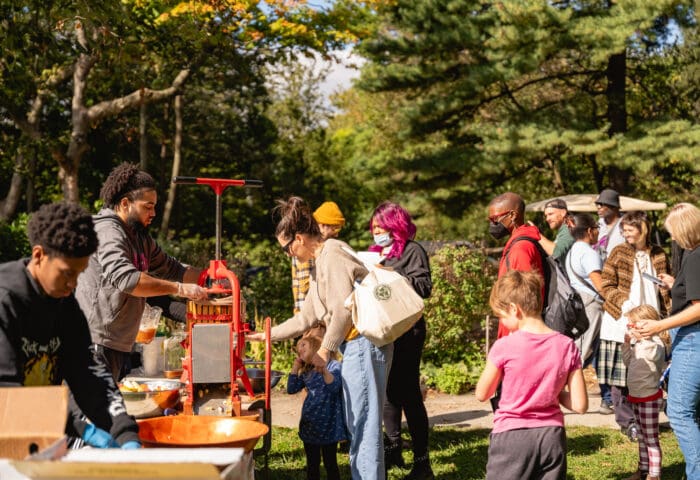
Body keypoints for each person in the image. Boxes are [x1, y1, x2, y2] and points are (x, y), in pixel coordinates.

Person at [248, 196, 391, 480]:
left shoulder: (333, 253)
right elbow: (306, 316)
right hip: (353, 347)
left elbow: (342, 310)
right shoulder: (318, 264)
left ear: (299, 238)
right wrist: (266, 335)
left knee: (363, 423)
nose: (288, 254)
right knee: (356, 421)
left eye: (287, 248)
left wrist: (325, 350)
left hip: (363, 343)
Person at [0, 202, 140, 449]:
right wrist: (77, 426)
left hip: (36, 435)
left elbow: (89, 372)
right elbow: (7, 392)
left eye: (80, 273)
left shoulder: (64, 304)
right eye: (66, 273)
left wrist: (123, 432)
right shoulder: (6, 300)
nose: (73, 284)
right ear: (38, 255)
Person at [75, 162, 207, 382]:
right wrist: (181, 289)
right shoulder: (108, 231)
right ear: (125, 204)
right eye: (148, 206)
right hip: (94, 343)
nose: (153, 212)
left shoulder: (139, 237)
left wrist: (210, 277)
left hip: (116, 343)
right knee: (90, 414)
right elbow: (127, 279)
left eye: (155, 206)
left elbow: (172, 268)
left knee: (105, 412)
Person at [475, 270, 588, 480]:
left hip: (511, 436)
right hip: (552, 436)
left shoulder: (504, 346)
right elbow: (580, 405)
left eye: (501, 316)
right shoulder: (567, 345)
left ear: (514, 309)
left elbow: (482, 393)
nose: (501, 322)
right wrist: (552, 393)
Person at [635, 203, 700, 480]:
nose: (672, 238)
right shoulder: (693, 256)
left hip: (693, 340)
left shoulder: (696, 256)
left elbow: (698, 308)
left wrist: (659, 325)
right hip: (690, 339)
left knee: (679, 412)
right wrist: (676, 284)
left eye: (673, 232)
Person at [369, 202, 433, 480]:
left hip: (409, 332)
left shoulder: (412, 250)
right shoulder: (374, 253)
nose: (376, 233)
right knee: (388, 393)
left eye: (380, 227)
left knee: (408, 394)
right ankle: (393, 450)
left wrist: (395, 276)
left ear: (395, 226)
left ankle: (422, 463)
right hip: (384, 331)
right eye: (373, 228)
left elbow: (424, 287)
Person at [600, 211, 671, 442]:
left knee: (650, 368)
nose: (626, 233)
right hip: (622, 318)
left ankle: (647, 418)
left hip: (651, 318)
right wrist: (623, 302)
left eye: (631, 229)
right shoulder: (619, 252)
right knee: (623, 374)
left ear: (643, 229)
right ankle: (627, 422)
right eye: (624, 230)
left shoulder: (658, 253)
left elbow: (665, 288)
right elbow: (606, 284)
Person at [287, 329, 346, 480]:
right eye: (298, 349)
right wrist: (296, 367)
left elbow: (334, 387)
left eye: (303, 346)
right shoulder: (307, 371)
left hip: (328, 426)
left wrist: (324, 370)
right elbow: (291, 388)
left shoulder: (333, 366)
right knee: (312, 464)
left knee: (330, 463)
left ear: (316, 347)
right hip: (310, 425)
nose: (299, 351)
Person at [564, 213, 609, 411]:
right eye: (596, 228)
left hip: (582, 302)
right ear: (590, 231)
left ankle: (608, 398)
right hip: (591, 305)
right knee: (579, 354)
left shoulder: (574, 249)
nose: (599, 232)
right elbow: (599, 284)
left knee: (596, 352)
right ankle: (557, 394)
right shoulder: (588, 252)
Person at [487, 192, 544, 339]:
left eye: (495, 219)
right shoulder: (516, 244)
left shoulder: (520, 248)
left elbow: (525, 298)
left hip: (519, 333)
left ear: (512, 215)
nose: (492, 224)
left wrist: (515, 338)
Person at [622, 305, 670, 480]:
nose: (629, 328)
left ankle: (654, 474)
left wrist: (643, 339)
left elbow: (652, 356)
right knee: (642, 436)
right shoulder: (640, 344)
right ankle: (643, 470)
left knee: (651, 438)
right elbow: (629, 362)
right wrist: (627, 345)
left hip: (649, 397)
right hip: (636, 395)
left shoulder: (655, 344)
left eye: (632, 325)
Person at [291, 201, 345, 315]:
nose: (336, 234)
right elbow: (305, 287)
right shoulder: (308, 247)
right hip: (310, 317)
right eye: (335, 228)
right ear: (322, 225)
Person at [595, 188, 625, 261]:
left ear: (614, 207)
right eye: (597, 204)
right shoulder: (599, 225)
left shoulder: (626, 225)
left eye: (602, 204)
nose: (598, 207)